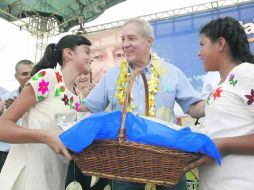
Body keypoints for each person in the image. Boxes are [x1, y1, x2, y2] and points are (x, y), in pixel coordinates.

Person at [82, 18, 205, 190]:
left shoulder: (171, 73)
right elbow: (89, 108)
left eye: (131, 38)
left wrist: (217, 103)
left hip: (167, 163)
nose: (125, 44)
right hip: (125, 167)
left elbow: (193, 107)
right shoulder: (112, 76)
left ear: (149, 41)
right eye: (123, 39)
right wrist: (63, 105)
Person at [0, 35, 92, 190]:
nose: (91, 57)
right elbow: (2, 127)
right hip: (27, 178)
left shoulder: (78, 96)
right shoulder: (48, 77)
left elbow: (62, 134)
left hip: (54, 179)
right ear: (69, 54)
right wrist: (44, 135)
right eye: (87, 52)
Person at [183, 17, 254, 190]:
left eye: (202, 44)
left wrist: (223, 145)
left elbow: (224, 140)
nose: (199, 53)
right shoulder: (226, 82)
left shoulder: (247, 74)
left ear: (220, 43)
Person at [0, 59, 34, 172]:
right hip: (5, 153)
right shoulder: (6, 99)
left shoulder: (43, 99)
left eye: (32, 73)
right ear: (16, 76)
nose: (29, 76)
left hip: (29, 153)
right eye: (25, 74)